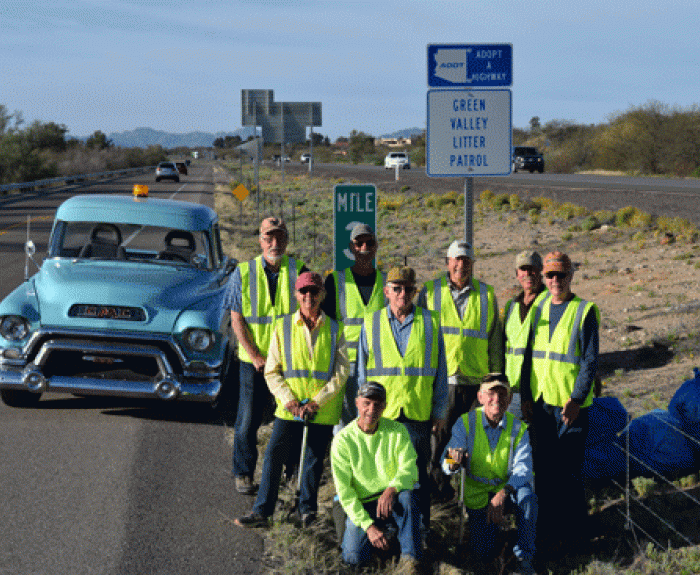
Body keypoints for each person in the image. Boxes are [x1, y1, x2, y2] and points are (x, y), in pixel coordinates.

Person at [234, 271, 349, 528]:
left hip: (321, 409)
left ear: (322, 294)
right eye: (303, 291)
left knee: (312, 461)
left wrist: (317, 401)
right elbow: (272, 371)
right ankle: (262, 511)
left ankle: (307, 512)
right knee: (274, 455)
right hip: (289, 409)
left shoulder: (335, 328)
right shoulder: (283, 326)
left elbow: (341, 372)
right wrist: (290, 401)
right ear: (296, 295)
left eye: (314, 291)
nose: (309, 296)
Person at [356, 266, 448, 533]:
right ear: (386, 292)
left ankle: (421, 530)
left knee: (417, 474)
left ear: (415, 291)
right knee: (382, 473)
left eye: (408, 289)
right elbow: (362, 371)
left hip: (417, 412)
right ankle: (390, 529)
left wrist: (440, 411)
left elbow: (441, 371)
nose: (402, 294)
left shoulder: (431, 321)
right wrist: (364, 410)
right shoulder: (371, 322)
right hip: (382, 414)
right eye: (396, 289)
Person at [520, 251, 599, 551]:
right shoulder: (539, 306)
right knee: (544, 470)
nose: (555, 281)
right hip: (542, 403)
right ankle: (547, 531)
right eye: (550, 275)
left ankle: (576, 535)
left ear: (571, 276)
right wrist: (526, 396)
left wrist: (576, 399)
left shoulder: (583, 311)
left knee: (569, 472)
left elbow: (589, 361)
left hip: (569, 408)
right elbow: (529, 354)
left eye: (561, 275)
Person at [224, 216, 306, 495]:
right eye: (268, 237)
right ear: (260, 241)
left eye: (280, 237)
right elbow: (236, 321)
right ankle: (244, 472)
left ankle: (291, 473)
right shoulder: (243, 273)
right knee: (248, 419)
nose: (274, 243)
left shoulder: (299, 271)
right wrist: (256, 356)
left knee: (291, 418)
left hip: (288, 363)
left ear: (287, 240)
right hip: (254, 362)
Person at [418, 240, 503, 500]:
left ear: (472, 264)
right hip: (445, 382)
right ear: (448, 262)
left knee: (470, 440)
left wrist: (495, 381)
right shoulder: (430, 292)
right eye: (457, 259)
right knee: (441, 438)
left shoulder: (486, 295)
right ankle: (440, 490)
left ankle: (470, 494)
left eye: (466, 260)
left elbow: (494, 341)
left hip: (477, 383)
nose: (461, 265)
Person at [443, 373, 537, 575]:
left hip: (507, 490)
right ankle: (501, 544)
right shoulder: (465, 422)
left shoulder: (519, 427)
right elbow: (448, 460)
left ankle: (524, 559)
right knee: (483, 553)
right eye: (491, 394)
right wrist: (454, 463)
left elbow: (524, 468)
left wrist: (503, 493)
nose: (497, 399)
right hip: (477, 493)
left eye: (502, 394)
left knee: (528, 498)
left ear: (510, 399)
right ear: (480, 397)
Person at [331, 381, 422, 572]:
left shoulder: (398, 430)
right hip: (360, 503)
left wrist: (391, 490)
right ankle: (382, 536)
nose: (371, 409)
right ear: (357, 403)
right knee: (353, 560)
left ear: (385, 406)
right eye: (366, 403)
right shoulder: (342, 440)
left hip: (390, 498)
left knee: (408, 497)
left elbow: (410, 469)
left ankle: (410, 559)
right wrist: (369, 527)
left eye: (378, 404)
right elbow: (345, 492)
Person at [322, 223, 385, 428]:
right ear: (351, 247)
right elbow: (325, 326)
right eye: (359, 243)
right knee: (344, 426)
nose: (364, 247)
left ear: (376, 246)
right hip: (345, 367)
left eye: (369, 243)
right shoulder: (335, 281)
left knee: (373, 425)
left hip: (376, 366)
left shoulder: (387, 284)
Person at [502, 251, 547, 420]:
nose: (528, 273)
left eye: (532, 268)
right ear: (517, 274)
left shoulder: (550, 302)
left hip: (539, 389)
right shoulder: (511, 306)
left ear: (541, 271)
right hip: (512, 389)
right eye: (523, 269)